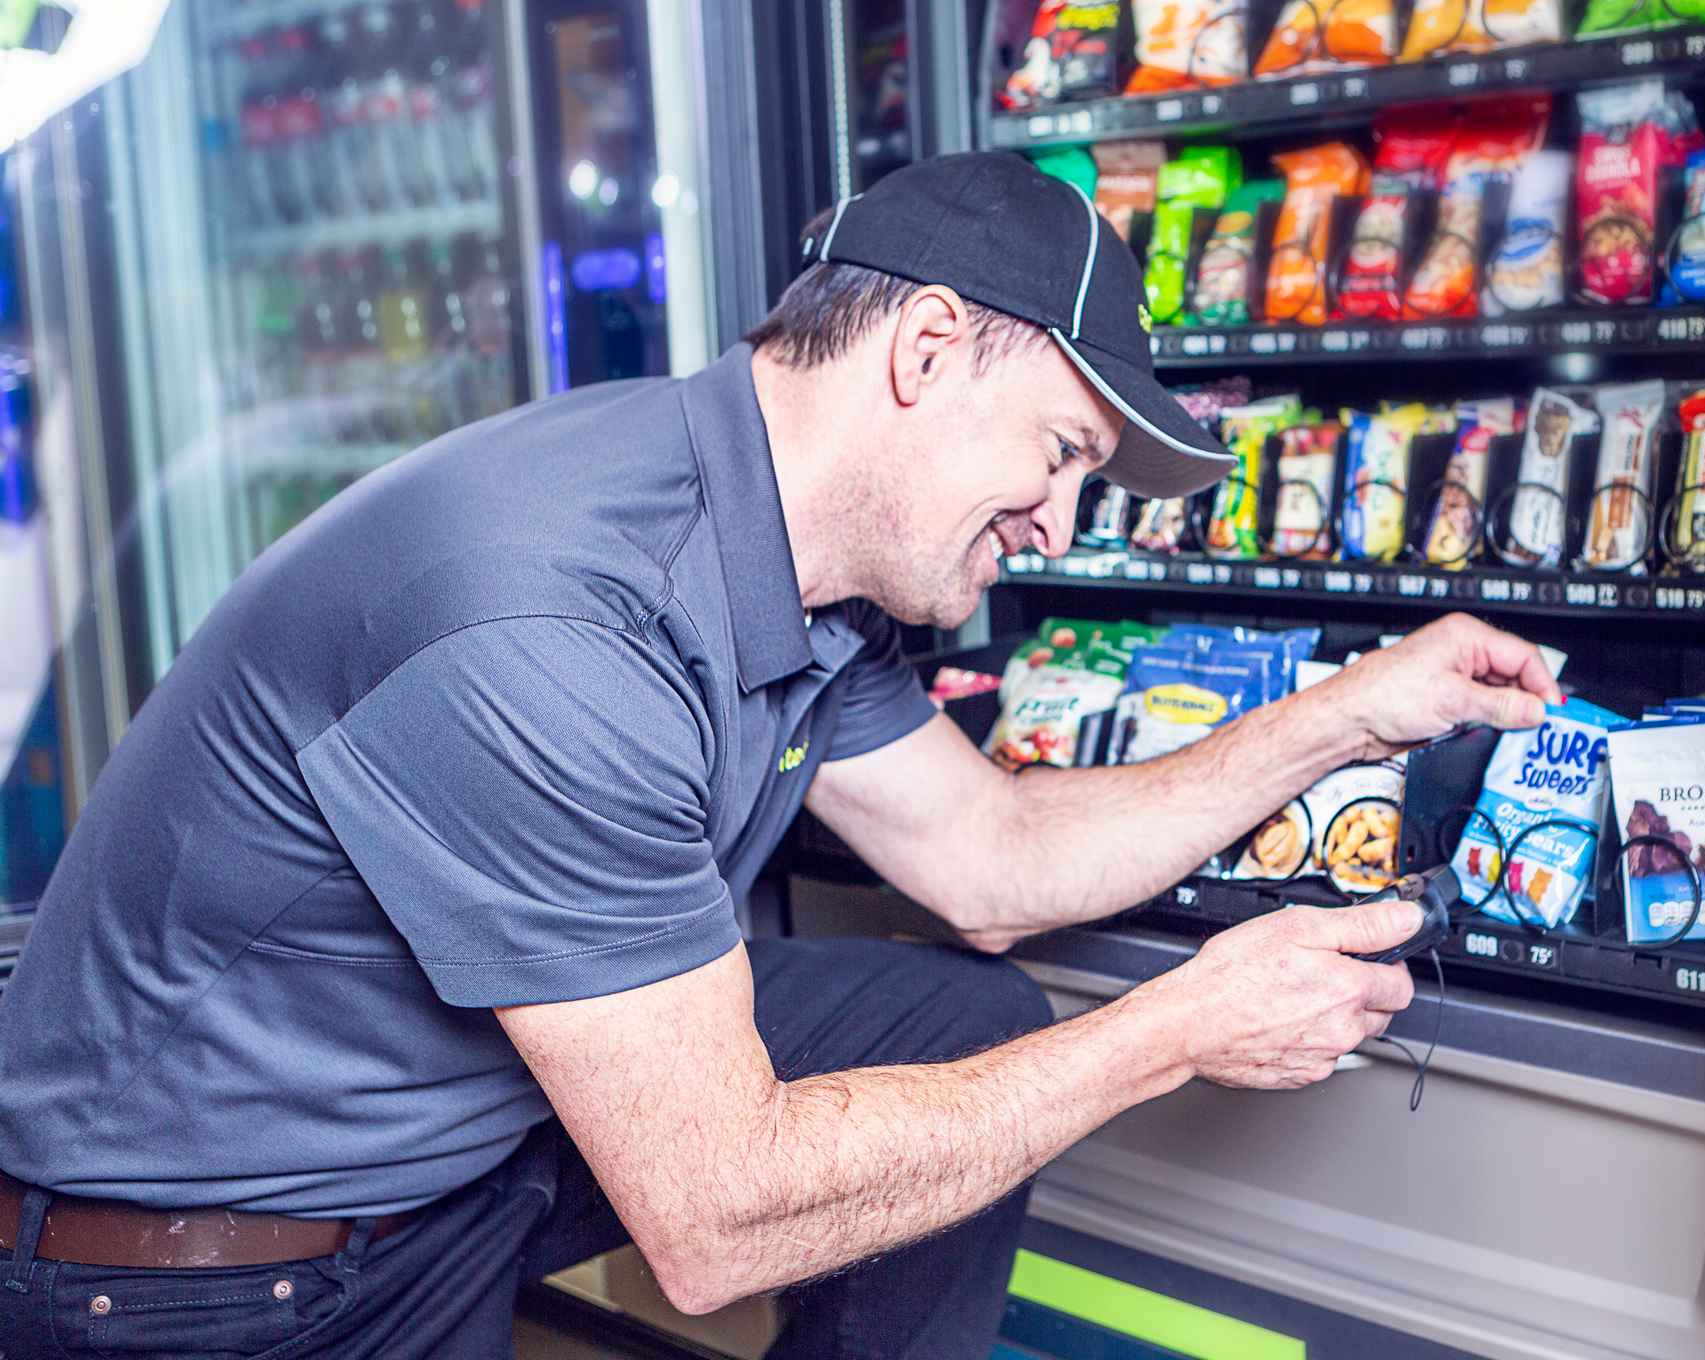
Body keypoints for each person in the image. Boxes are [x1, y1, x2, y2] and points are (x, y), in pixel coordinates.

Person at [0, 152, 1559, 1358]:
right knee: (784, 1163)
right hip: (219, 1273)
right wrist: (1177, 1027)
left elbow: (994, 864)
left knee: (953, 1009)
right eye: (1064, 452)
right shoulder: (555, 625)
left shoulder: (793, 563)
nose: (1060, 524)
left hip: (447, 1139)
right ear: (929, 349)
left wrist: (1356, 708)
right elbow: (717, 1219)